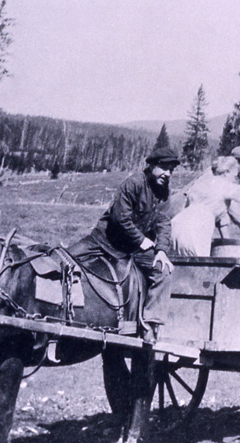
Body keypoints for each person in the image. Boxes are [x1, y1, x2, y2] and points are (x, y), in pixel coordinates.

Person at [73, 147, 179, 343]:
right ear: (152, 165)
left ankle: (149, 324)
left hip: (134, 250)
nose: (168, 174)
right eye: (164, 168)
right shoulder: (133, 183)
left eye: (171, 170)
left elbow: (164, 223)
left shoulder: (164, 191)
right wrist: (141, 239)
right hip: (104, 241)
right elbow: (120, 218)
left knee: (164, 271)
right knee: (65, 259)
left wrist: (162, 251)